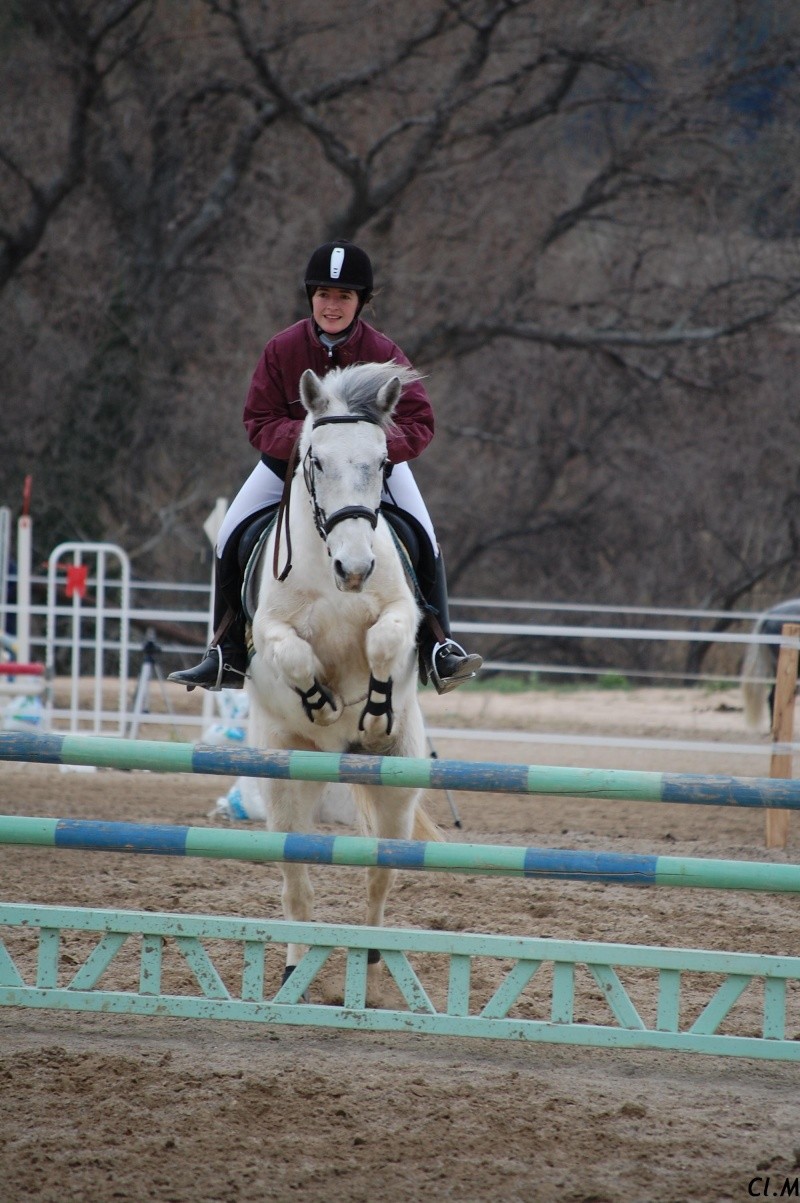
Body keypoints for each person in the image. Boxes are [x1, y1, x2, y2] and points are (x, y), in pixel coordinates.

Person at [169, 240, 482, 694]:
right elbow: (259, 419)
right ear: (310, 296)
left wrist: (362, 449)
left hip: (371, 473)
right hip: (287, 467)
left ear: (361, 303)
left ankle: (439, 647)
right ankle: (225, 652)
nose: (331, 306)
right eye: (323, 295)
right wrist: (311, 444)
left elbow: (420, 421)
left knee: (424, 535)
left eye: (344, 297)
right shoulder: (281, 349)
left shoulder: (383, 353)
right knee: (228, 536)